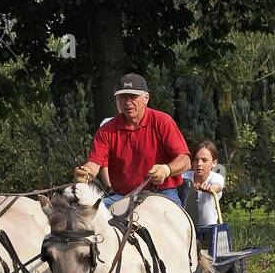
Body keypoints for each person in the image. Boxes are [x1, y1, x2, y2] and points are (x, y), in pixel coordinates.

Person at [75, 73, 191, 209]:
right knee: (89, 217)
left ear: (146, 98)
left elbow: (186, 161)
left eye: (133, 97)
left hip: (163, 193)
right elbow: (93, 165)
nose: (128, 102)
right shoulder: (106, 130)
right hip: (122, 196)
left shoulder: (163, 121)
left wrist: (166, 169)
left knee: (175, 225)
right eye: (123, 97)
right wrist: (84, 173)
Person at [181, 140, 225, 227]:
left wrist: (210, 188)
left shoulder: (216, 177)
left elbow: (217, 186)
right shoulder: (185, 176)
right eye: (196, 160)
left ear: (214, 163)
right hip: (186, 227)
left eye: (204, 160)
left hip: (209, 228)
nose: (199, 164)